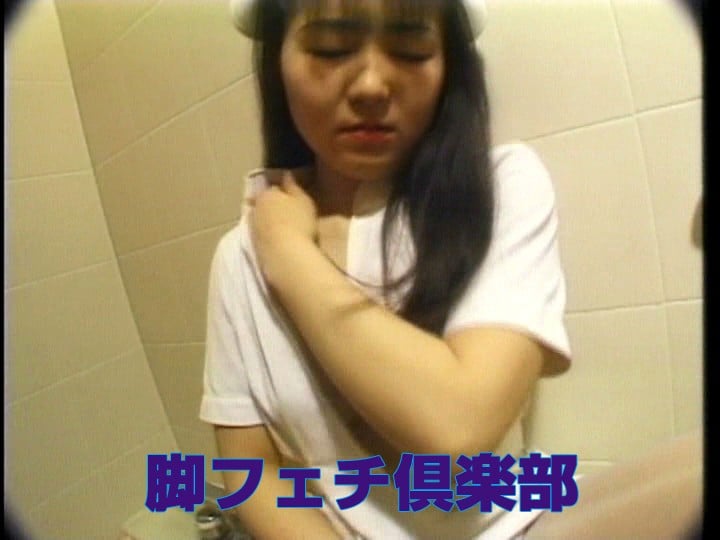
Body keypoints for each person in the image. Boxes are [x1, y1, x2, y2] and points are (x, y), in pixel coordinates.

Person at [200, 0, 700, 538]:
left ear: (449, 66)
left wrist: (289, 254)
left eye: (410, 50)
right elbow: (250, 470)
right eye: (330, 48)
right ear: (278, 60)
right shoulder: (238, 257)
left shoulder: (501, 187)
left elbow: (459, 425)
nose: (371, 85)